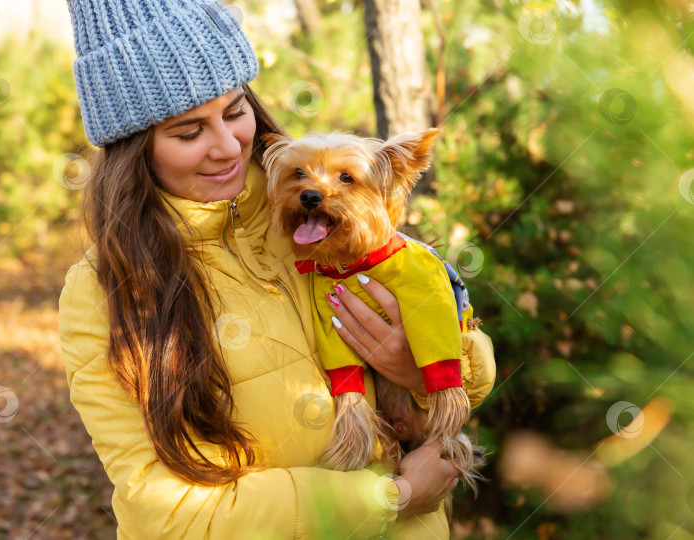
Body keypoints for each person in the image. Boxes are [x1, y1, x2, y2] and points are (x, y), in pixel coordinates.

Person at [58, 1, 495, 538]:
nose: (227, 147)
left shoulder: (321, 210)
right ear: (134, 151)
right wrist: (390, 497)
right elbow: (165, 512)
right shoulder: (106, 288)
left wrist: (420, 368)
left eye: (236, 110)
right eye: (189, 132)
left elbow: (463, 357)